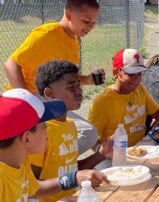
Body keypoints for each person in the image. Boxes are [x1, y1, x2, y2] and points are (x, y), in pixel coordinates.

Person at [4, 0, 102, 155]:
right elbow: (11, 64)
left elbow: (64, 78)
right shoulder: (46, 34)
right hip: (30, 98)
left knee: (88, 134)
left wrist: (87, 80)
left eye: (94, 22)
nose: (91, 26)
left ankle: (52, 161)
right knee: (88, 133)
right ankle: (48, 161)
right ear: (69, 15)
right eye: (86, 21)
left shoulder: (73, 40)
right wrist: (26, 103)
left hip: (49, 98)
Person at [0, 88, 107, 201]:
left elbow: (34, 189)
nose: (47, 131)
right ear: (27, 139)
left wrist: (73, 178)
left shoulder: (19, 160)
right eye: (44, 126)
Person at [30, 60, 113, 202]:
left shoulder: (70, 125)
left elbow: (71, 170)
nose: (79, 91)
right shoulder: (40, 132)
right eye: (71, 87)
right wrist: (72, 179)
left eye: (79, 85)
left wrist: (101, 154)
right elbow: (30, 188)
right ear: (49, 93)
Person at [88, 49, 159, 146]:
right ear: (116, 73)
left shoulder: (140, 89)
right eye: (131, 74)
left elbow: (157, 113)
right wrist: (104, 154)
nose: (137, 79)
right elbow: (89, 139)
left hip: (139, 149)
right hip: (117, 155)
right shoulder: (102, 102)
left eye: (139, 74)